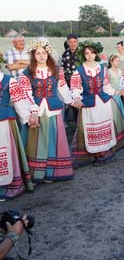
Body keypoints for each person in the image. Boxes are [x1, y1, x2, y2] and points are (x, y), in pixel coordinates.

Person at [70, 41, 124, 166]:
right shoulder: (79, 70)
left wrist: (117, 92)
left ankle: (104, 154)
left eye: (92, 53)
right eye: (87, 53)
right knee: (90, 129)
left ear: (96, 54)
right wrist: (76, 98)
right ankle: (92, 155)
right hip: (89, 104)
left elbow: (106, 86)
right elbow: (75, 88)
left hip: (103, 103)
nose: (90, 55)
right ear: (83, 54)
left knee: (104, 127)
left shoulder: (101, 68)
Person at [20, 39, 75, 183]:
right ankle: (37, 172)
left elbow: (62, 87)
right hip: (36, 110)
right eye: (38, 53)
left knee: (52, 140)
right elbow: (26, 93)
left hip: (53, 110)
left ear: (48, 54)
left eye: (43, 53)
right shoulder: (27, 72)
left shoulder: (56, 70)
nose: (41, 56)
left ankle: (52, 171)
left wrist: (71, 101)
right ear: (33, 55)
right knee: (37, 141)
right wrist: (32, 110)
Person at [0, 70, 34, 199]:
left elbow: (19, 101)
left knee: (7, 152)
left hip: (5, 122)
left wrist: (28, 117)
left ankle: (13, 185)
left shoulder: (9, 80)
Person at [60, 34, 80, 123]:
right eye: (70, 42)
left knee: (81, 101)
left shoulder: (82, 52)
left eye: (74, 41)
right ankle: (76, 124)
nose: (73, 44)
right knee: (73, 103)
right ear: (67, 42)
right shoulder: (65, 54)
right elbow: (62, 68)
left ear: (77, 42)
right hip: (68, 82)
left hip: (81, 82)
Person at [107, 54, 124, 120]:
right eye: (116, 61)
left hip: (121, 93)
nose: (118, 63)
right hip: (113, 95)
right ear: (111, 62)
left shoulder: (120, 71)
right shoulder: (108, 72)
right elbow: (107, 84)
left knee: (121, 110)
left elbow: (123, 83)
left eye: (118, 61)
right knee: (114, 111)